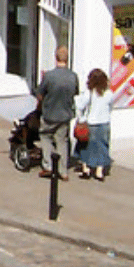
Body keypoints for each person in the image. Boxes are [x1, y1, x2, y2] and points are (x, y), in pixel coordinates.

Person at [34, 46, 82, 180]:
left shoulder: (49, 76)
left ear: (56, 58)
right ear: (67, 59)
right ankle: (63, 170)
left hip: (50, 113)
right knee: (62, 141)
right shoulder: (73, 76)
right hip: (65, 114)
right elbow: (76, 92)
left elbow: (40, 93)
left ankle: (48, 165)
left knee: (45, 137)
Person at [75, 67, 114, 181]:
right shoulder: (108, 93)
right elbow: (110, 107)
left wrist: (81, 118)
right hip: (104, 123)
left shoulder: (90, 93)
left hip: (91, 123)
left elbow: (80, 106)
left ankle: (86, 169)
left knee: (85, 146)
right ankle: (99, 171)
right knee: (102, 147)